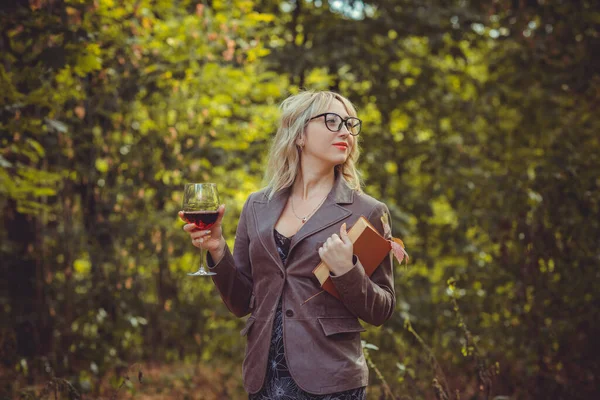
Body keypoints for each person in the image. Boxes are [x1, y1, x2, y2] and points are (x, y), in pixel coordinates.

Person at [180, 90, 395, 398]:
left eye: (349, 124)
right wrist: (217, 249)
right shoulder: (257, 205)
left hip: (331, 380)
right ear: (299, 135)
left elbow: (382, 309)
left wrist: (347, 270)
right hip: (264, 377)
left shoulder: (367, 211)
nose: (345, 131)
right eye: (332, 121)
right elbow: (241, 302)